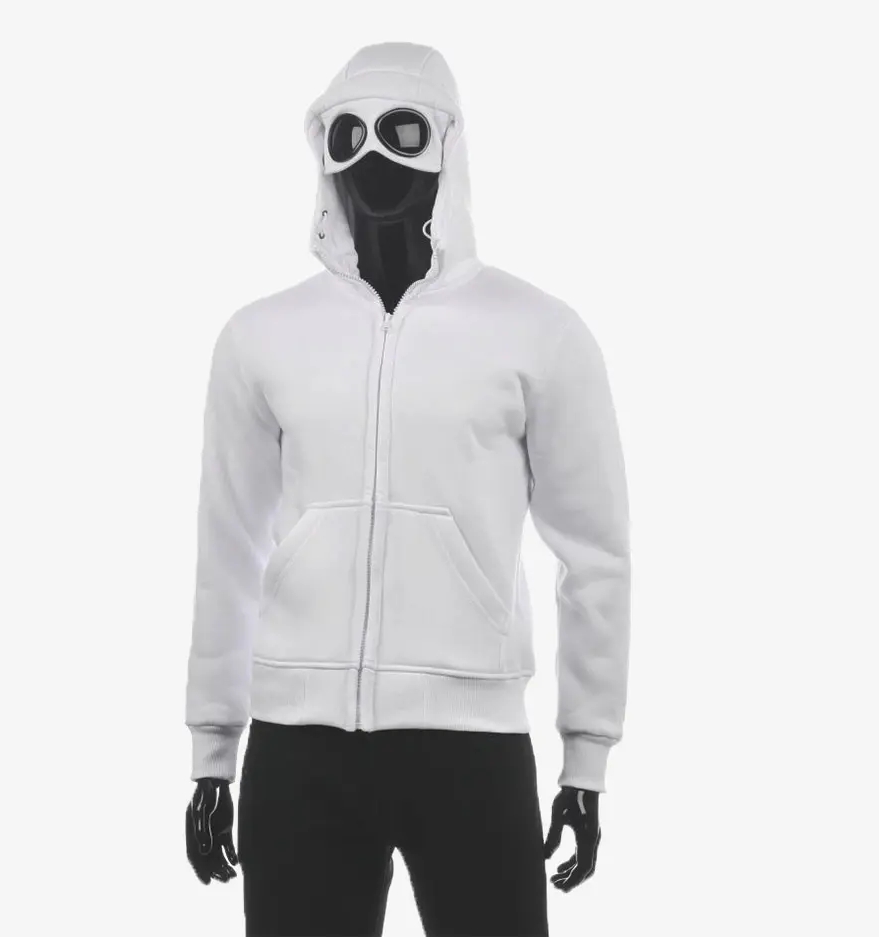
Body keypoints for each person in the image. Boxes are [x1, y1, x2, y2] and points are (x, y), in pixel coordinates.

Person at [184, 41, 631, 937]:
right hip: (298, 748)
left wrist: (585, 758)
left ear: (447, 146)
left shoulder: (537, 333)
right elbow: (227, 549)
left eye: (402, 130)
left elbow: (596, 554)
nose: (372, 156)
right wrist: (212, 753)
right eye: (345, 135)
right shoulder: (260, 337)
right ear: (322, 153)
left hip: (471, 748)